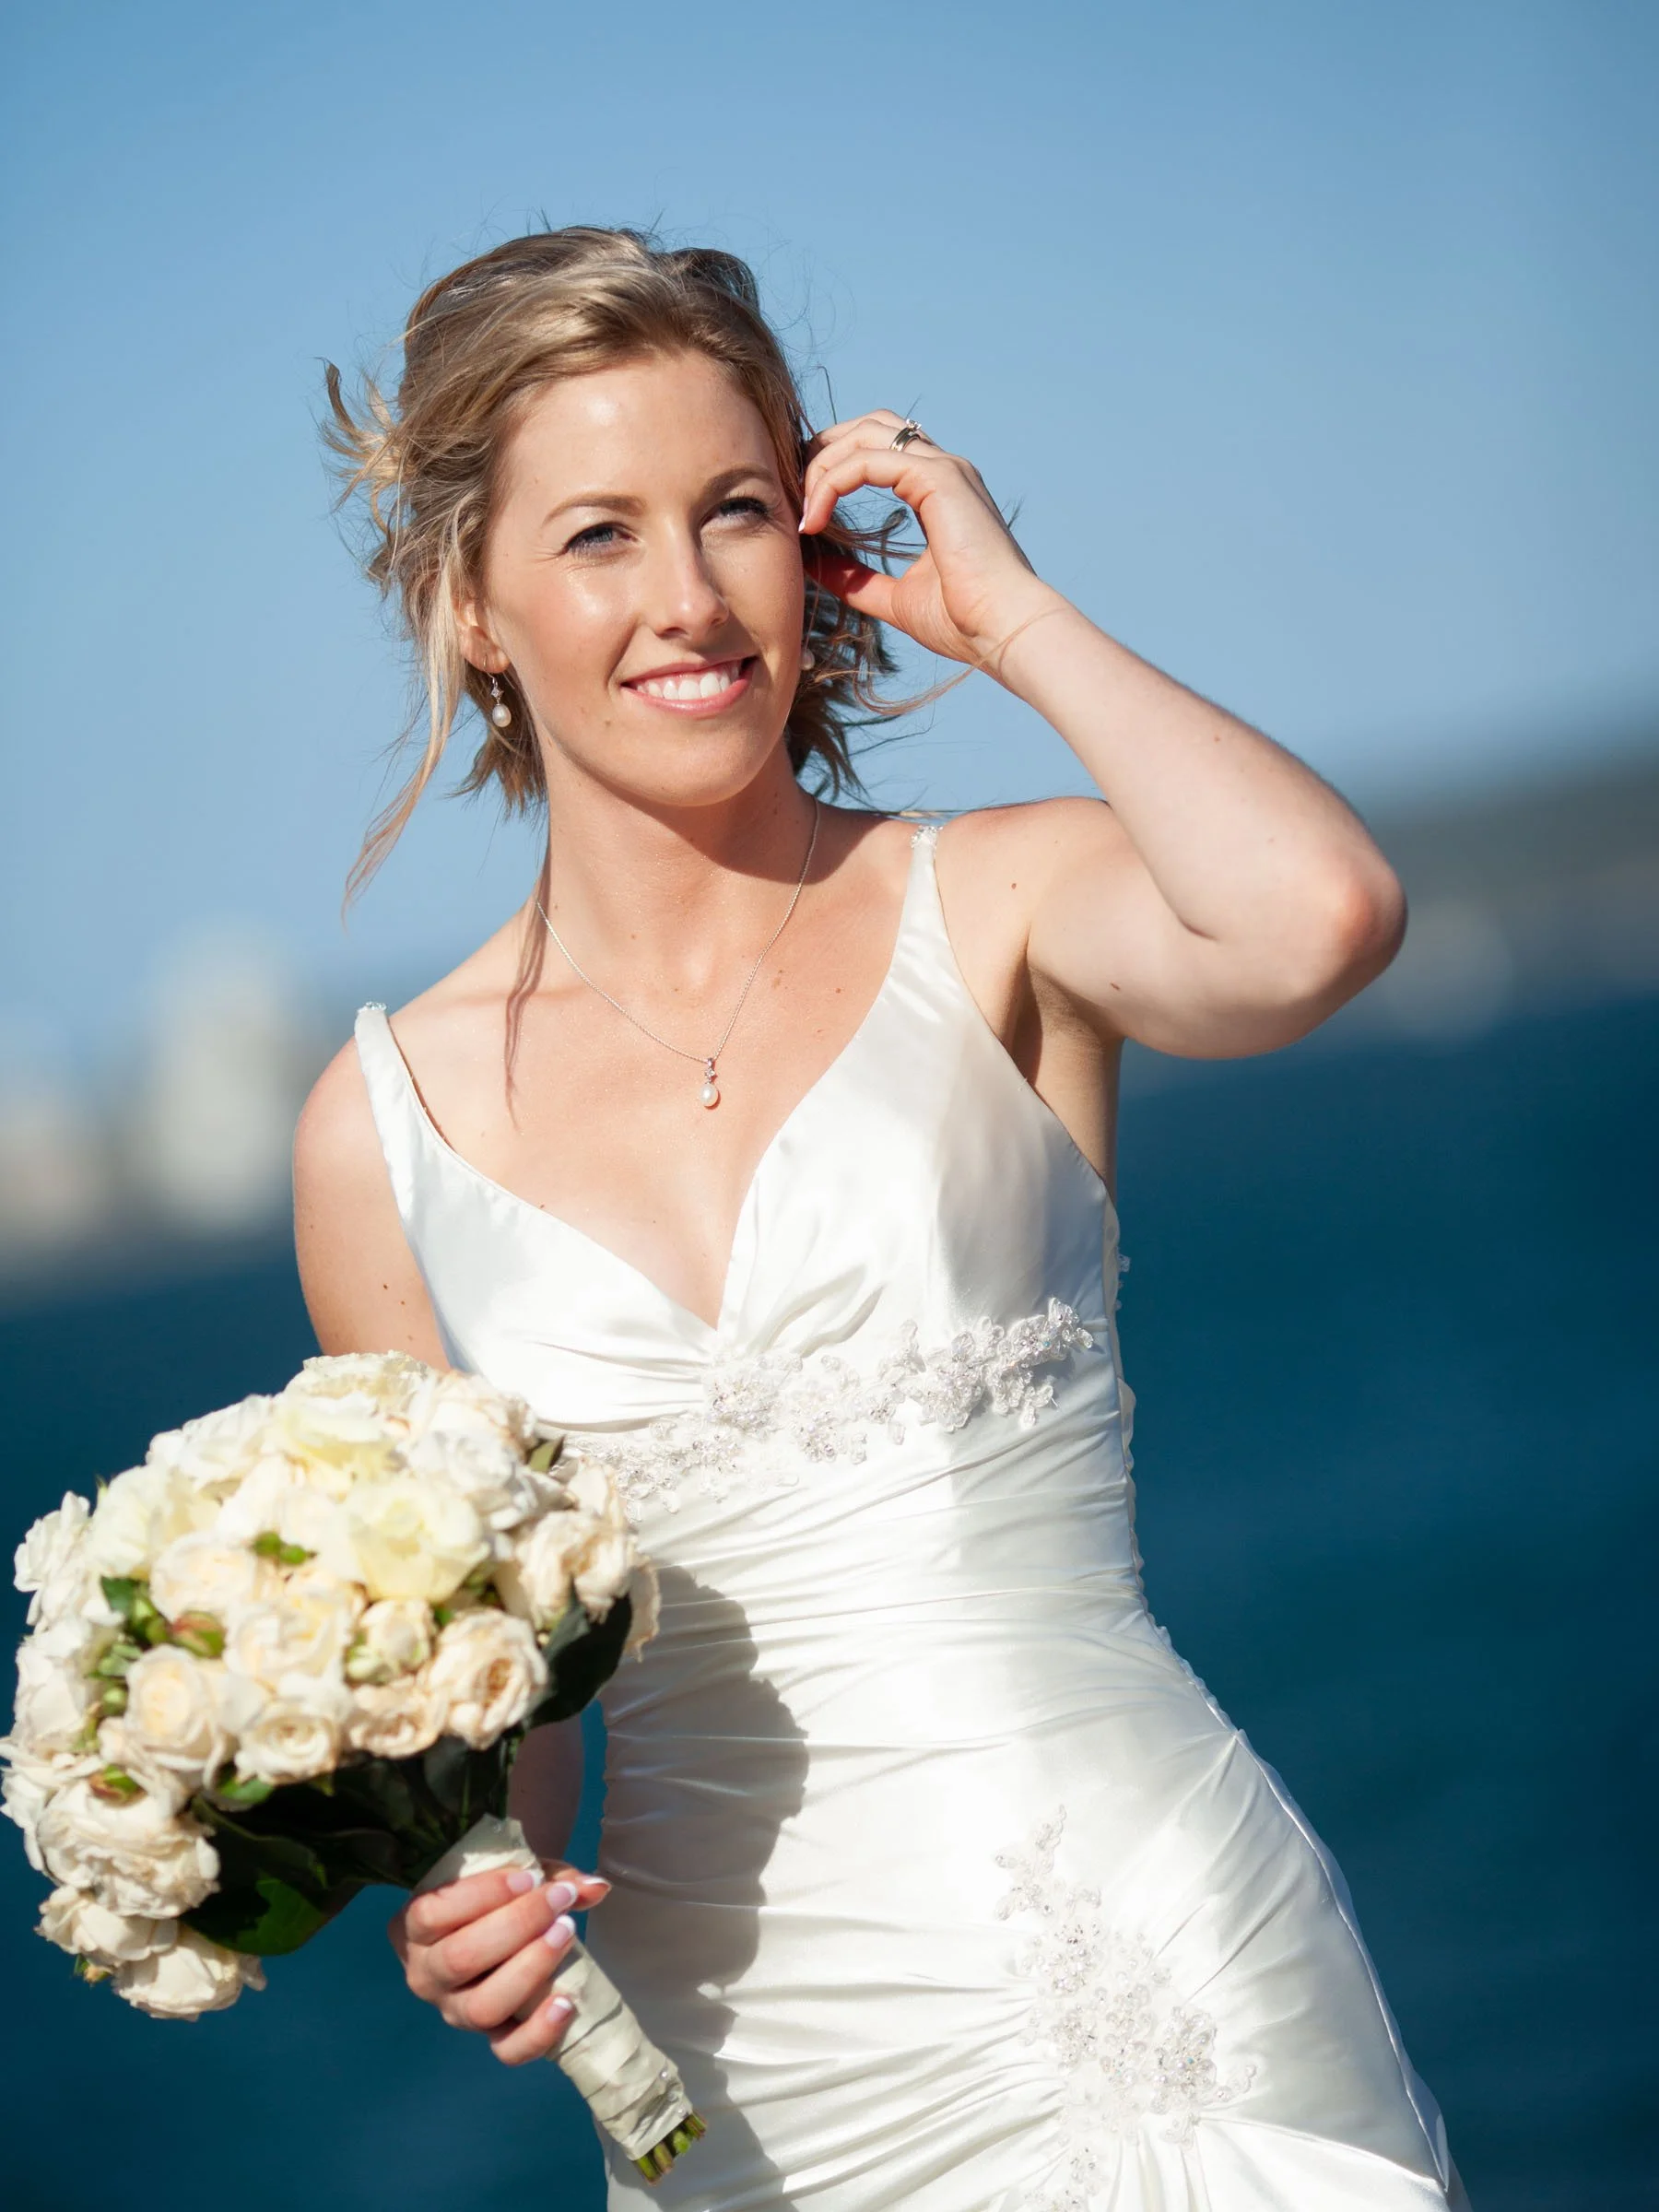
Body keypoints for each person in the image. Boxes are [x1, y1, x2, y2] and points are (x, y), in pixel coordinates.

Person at [294, 227, 1467, 2210]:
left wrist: (1009, 617)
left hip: (1141, 1971)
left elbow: (1317, 920)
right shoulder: (376, 1131)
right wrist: (467, 1878)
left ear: (813, 543)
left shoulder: (1003, 906)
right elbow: (507, 1708)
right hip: (746, 2086)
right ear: (468, 604)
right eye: (599, 535)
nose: (687, 598)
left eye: (735, 511)